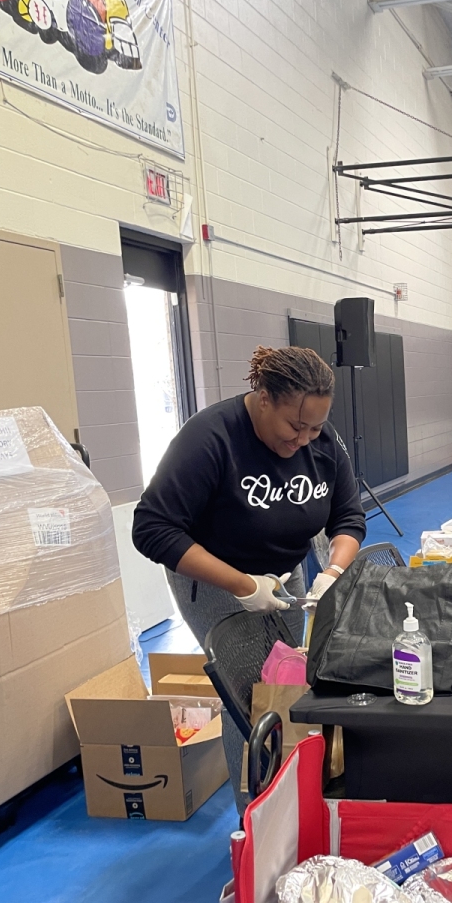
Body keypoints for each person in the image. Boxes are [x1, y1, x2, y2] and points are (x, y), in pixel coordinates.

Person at [133, 345, 366, 811]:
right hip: (217, 580)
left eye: (315, 427)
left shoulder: (321, 440)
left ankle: (294, 798)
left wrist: (333, 571)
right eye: (295, 426)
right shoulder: (210, 438)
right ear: (263, 399)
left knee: (284, 683)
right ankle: (254, 823)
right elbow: (152, 528)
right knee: (250, 701)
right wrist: (242, 585)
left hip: (285, 575)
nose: (305, 439)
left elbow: (348, 517)